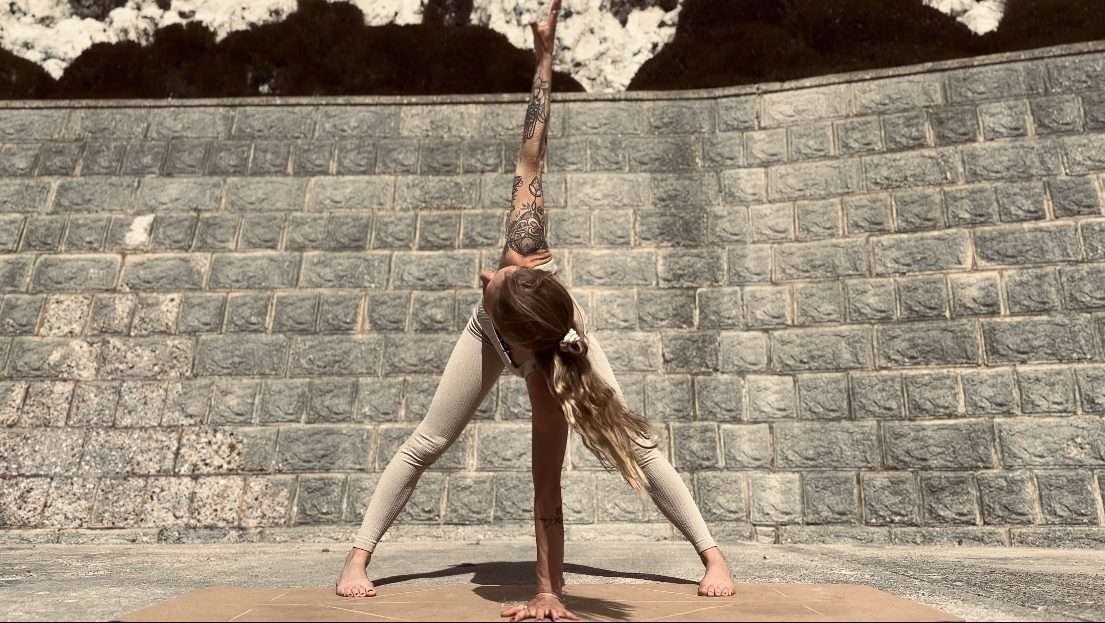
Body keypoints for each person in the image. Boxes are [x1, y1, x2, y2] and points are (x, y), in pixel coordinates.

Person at [335, 0, 736, 618]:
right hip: (522, 329)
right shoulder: (523, 244)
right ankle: (358, 554)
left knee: (638, 445)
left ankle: (711, 553)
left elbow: (546, 493)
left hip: (555, 347)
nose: (484, 274)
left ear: (514, 336)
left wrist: (549, 592)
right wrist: (545, 57)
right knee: (427, 441)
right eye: (496, 277)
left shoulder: (552, 376)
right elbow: (534, 147)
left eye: (488, 287)